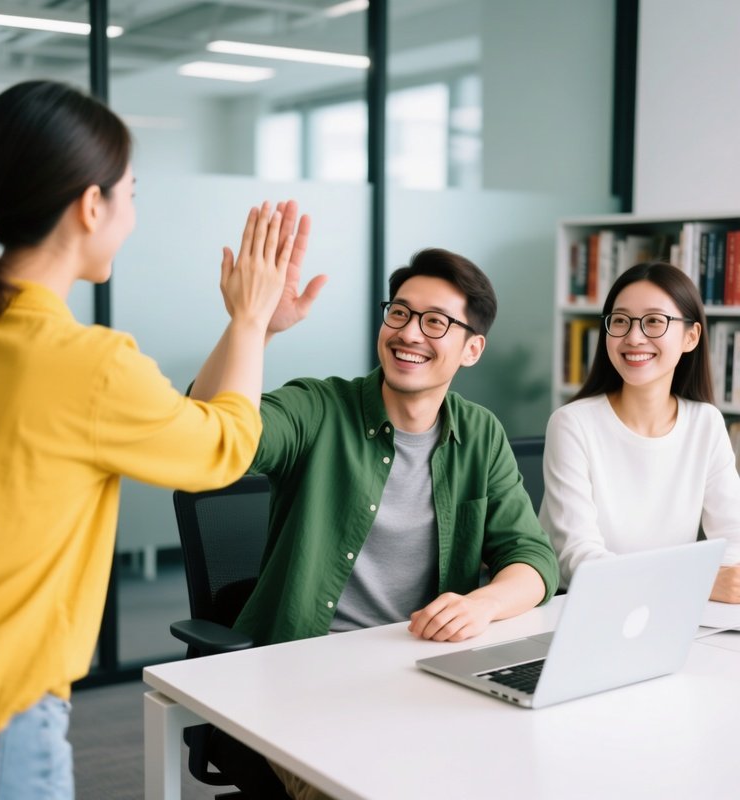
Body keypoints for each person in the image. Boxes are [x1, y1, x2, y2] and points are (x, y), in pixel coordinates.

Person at [0, 79, 308, 799]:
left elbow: (189, 423)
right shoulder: (85, 365)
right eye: (131, 192)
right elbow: (225, 452)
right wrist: (249, 318)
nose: (134, 214)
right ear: (90, 205)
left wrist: (250, 328)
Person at [192, 247, 560, 800]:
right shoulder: (319, 408)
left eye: (436, 322)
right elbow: (210, 443)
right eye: (400, 313)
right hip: (301, 685)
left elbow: (533, 560)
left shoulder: (480, 434)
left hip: (423, 674)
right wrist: (253, 330)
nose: (410, 333)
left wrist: (482, 604)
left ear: (472, 349)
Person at [539, 261, 740, 599]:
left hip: (669, 611)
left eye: (654, 322)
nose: (633, 337)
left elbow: (734, 540)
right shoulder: (572, 423)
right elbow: (580, 560)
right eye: (620, 321)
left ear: (691, 337)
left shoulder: (705, 422)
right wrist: (696, 582)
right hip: (580, 606)